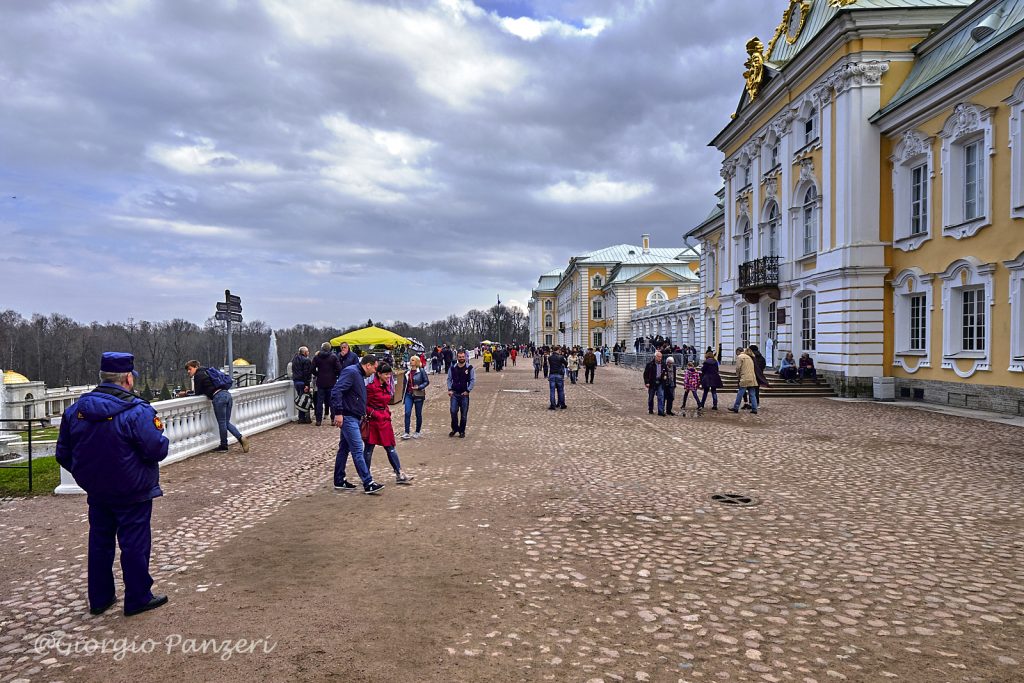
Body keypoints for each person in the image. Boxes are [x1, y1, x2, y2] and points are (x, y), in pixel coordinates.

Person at [55, 352, 170, 616]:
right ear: (128, 378)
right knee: (134, 544)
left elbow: (63, 453)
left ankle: (100, 598)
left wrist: (89, 476)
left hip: (98, 491)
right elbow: (156, 450)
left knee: (100, 543)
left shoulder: (75, 411)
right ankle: (138, 597)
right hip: (133, 490)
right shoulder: (137, 411)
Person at [330, 354, 385, 494]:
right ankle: (368, 483)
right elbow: (336, 391)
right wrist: (338, 413)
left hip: (351, 416)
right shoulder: (352, 372)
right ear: (368, 365)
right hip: (349, 417)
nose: (374, 371)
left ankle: (339, 480)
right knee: (357, 449)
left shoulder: (356, 373)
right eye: (374, 368)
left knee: (344, 449)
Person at [363, 363, 414, 484]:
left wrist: (386, 413)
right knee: (369, 448)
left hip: (384, 420)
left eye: (389, 374)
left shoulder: (386, 385)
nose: (388, 376)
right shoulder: (370, 387)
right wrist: (374, 413)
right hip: (373, 421)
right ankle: (365, 475)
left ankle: (399, 473)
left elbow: (386, 401)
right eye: (386, 374)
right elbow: (364, 405)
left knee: (390, 447)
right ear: (379, 374)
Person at [186, 360, 250, 453]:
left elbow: (198, 393)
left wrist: (186, 393)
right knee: (226, 422)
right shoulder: (208, 371)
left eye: (189, 369)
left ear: (195, 367)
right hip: (227, 395)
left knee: (222, 423)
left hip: (218, 397)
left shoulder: (198, 375)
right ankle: (240, 438)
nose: (188, 371)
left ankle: (224, 446)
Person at [312, 342, 342, 425]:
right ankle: (333, 420)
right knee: (332, 401)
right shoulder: (333, 357)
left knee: (319, 402)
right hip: (331, 381)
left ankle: (318, 420)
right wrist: (334, 374)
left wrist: (318, 374)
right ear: (330, 348)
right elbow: (339, 369)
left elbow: (312, 369)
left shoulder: (317, 357)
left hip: (320, 381)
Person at [447, 350, 475, 438]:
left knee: (464, 414)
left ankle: (462, 431)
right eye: (460, 357)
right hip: (454, 393)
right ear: (457, 357)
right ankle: (455, 428)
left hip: (464, 394)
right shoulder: (452, 368)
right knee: (453, 411)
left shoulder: (470, 368)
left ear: (465, 357)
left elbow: (472, 380)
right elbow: (449, 379)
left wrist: (468, 390)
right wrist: (450, 389)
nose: (461, 358)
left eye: (463, 357)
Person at [401, 355, 429, 440]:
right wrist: (403, 396)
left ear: (416, 362)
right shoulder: (407, 372)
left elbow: (426, 381)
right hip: (409, 394)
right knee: (407, 412)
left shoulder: (421, 371)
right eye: (410, 360)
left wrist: (419, 387)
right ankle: (406, 432)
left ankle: (417, 431)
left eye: (412, 360)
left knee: (418, 414)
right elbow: (404, 385)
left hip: (418, 395)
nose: (411, 361)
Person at [728, 347, 759, 414]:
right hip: (752, 377)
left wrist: (738, 375)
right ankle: (754, 408)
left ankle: (736, 407)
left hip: (745, 377)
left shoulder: (740, 357)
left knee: (740, 393)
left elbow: (738, 368)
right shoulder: (749, 357)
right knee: (752, 394)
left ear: (738, 351)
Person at [291, 346, 314, 424]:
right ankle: (303, 418)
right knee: (305, 400)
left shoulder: (294, 359)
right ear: (304, 352)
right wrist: (307, 385)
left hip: (296, 381)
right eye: (307, 351)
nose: (308, 353)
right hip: (303, 382)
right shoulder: (306, 360)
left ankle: (301, 417)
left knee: (301, 399)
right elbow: (307, 373)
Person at [643, 350, 667, 416]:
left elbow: (665, 373)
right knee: (651, 397)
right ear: (655, 357)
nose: (660, 358)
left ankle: (660, 411)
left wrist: (665, 379)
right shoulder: (650, 364)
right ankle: (650, 409)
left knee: (661, 396)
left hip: (660, 382)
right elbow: (645, 374)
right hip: (652, 382)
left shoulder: (663, 364)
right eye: (659, 357)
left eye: (661, 357)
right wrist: (647, 382)